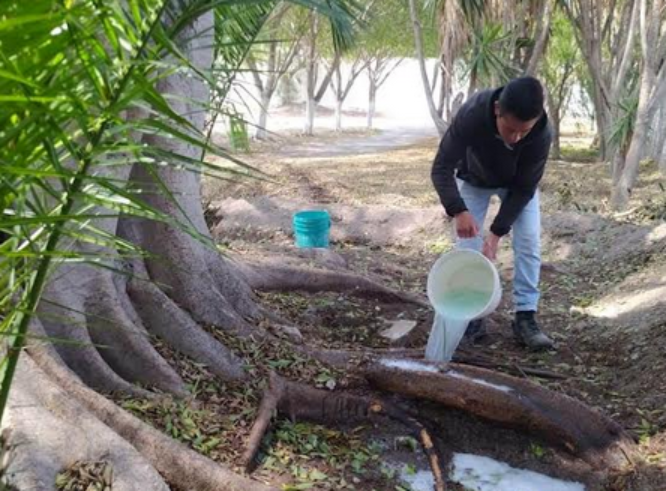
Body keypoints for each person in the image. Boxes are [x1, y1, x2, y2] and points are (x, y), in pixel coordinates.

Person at [431, 76, 553, 350]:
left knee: (529, 242)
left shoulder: (542, 133)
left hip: (516, 185)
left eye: (524, 131)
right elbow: (441, 168)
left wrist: (498, 231)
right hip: (475, 179)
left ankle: (525, 316)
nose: (516, 138)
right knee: (468, 244)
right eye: (511, 129)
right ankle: (472, 315)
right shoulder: (472, 115)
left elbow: (524, 189)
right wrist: (458, 210)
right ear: (497, 109)